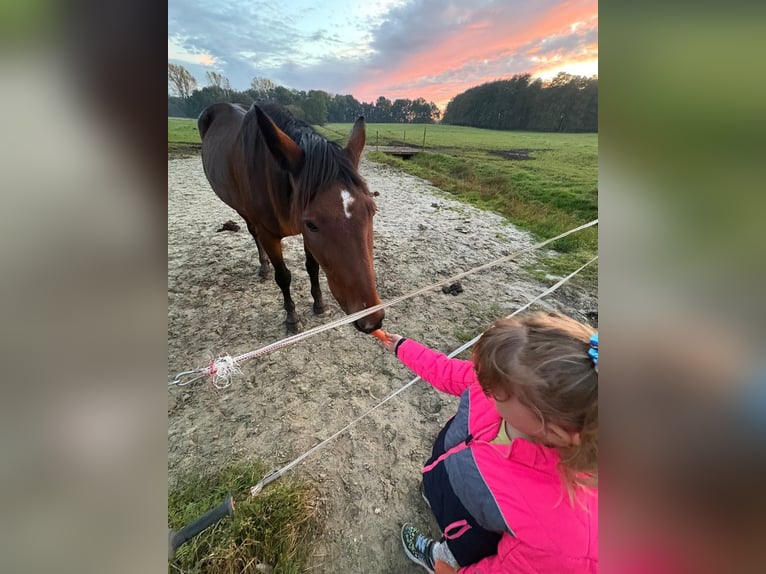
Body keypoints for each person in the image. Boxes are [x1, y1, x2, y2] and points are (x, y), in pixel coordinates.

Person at [374, 311, 598, 573]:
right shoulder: (507, 381)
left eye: (492, 388)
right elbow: (447, 371)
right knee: (437, 490)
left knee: (457, 551)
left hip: (476, 527)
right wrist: (403, 347)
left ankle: (435, 556)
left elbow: (505, 568)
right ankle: (433, 496)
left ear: (555, 432)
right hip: (448, 474)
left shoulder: (562, 532)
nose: (480, 382)